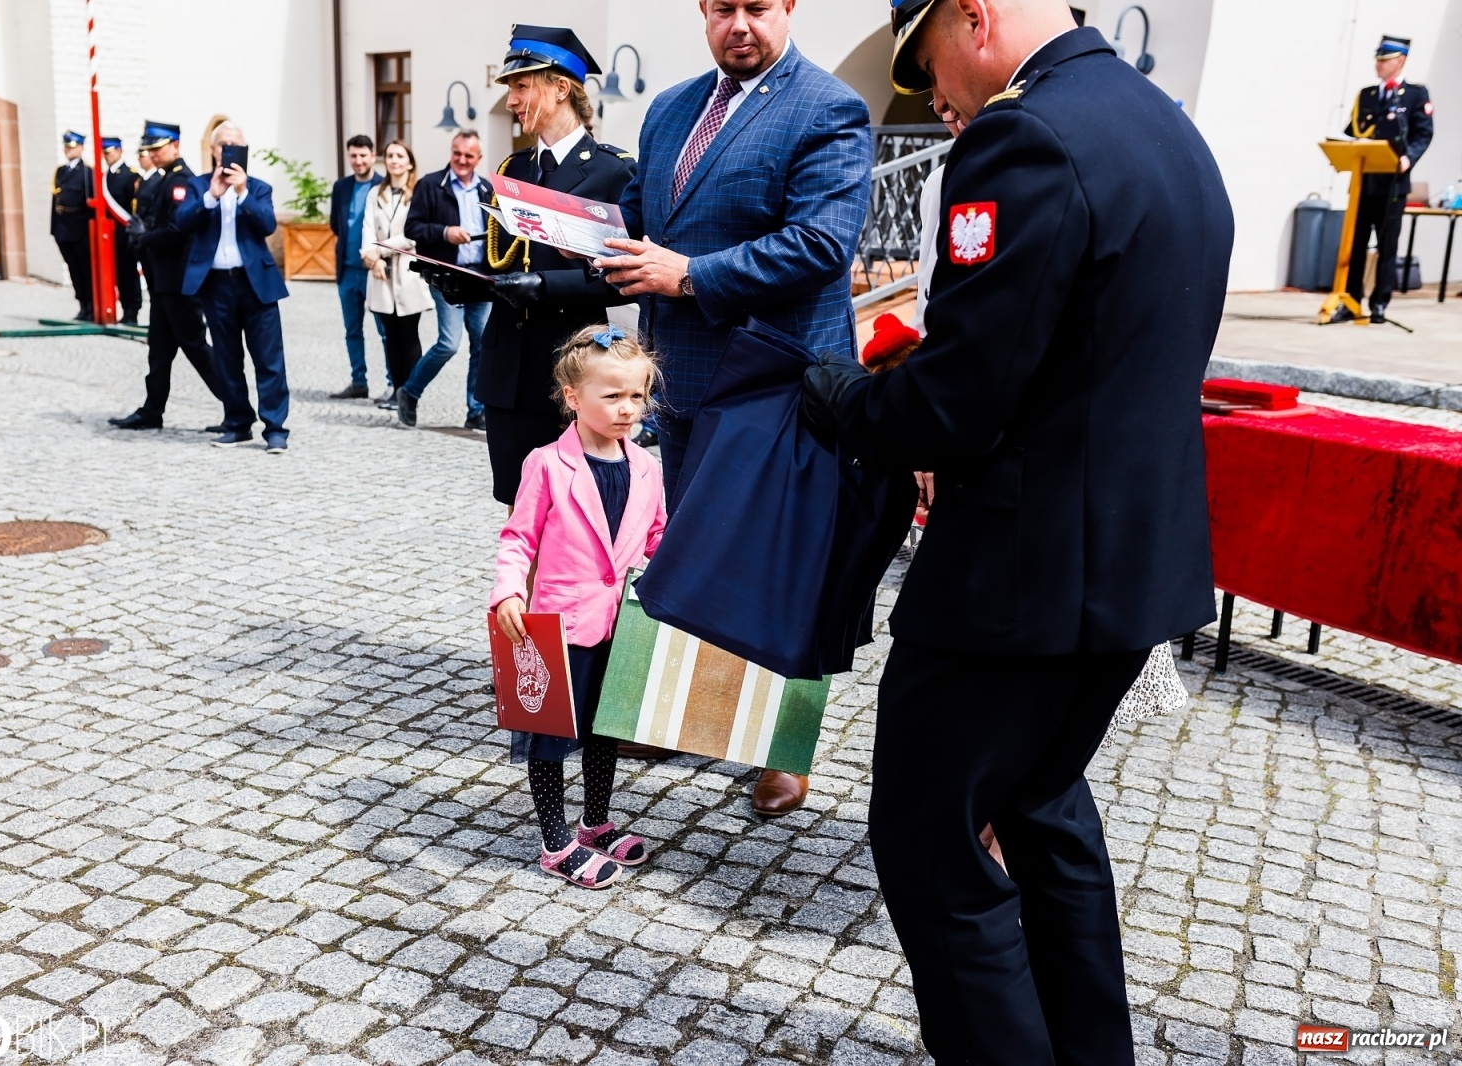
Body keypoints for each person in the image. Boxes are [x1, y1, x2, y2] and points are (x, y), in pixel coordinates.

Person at [800, 1, 1234, 1062]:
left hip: (1016, 580)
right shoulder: (1162, 121)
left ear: (973, 18)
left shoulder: (1022, 134)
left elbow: (960, 402)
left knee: (930, 845)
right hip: (1132, 566)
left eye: (930, 67)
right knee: (1041, 816)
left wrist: (840, 395)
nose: (936, 96)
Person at [594, 0, 871, 816]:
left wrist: (689, 275)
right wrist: (571, 230)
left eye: (757, 6)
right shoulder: (674, 107)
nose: (739, 24)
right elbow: (640, 219)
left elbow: (822, 242)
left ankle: (785, 751)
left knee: (787, 571)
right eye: (723, 9)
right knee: (691, 556)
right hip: (681, 378)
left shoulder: (828, 108)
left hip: (781, 384)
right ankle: (690, 715)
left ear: (788, 8)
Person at [491, 325, 667, 888]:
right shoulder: (546, 463)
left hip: (620, 621)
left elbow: (658, 539)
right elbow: (518, 538)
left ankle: (594, 822)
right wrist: (508, 592)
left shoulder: (647, 467)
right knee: (551, 734)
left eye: (636, 395)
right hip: (559, 624)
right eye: (611, 396)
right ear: (573, 397)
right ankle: (554, 838)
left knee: (604, 727)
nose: (626, 409)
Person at [469, 24, 637, 505]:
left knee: (572, 507)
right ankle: (521, 586)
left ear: (561, 87)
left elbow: (620, 280)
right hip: (507, 367)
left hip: (570, 367)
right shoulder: (513, 169)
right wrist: (470, 284)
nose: (512, 102)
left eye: (521, 86)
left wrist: (544, 285)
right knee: (519, 507)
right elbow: (502, 259)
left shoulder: (615, 170)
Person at [175, 121, 292, 454]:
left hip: (256, 284)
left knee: (269, 359)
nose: (227, 150)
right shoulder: (197, 186)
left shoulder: (258, 188)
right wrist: (213, 195)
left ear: (243, 150)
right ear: (213, 150)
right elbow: (183, 222)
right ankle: (238, 423)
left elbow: (267, 224)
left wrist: (240, 192)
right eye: (222, 145)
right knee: (227, 358)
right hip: (216, 285)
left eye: (234, 145)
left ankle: (275, 429)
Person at [110, 122, 234, 433]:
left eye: (157, 148)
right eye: (149, 149)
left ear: (175, 146)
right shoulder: (167, 180)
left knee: (194, 345)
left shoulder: (183, 182)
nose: (152, 154)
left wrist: (145, 237)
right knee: (160, 349)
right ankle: (153, 410)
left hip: (180, 281)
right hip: (164, 281)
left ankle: (237, 406)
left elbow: (179, 231)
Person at [1332, 35, 1434, 325]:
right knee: (1356, 245)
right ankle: (1350, 302)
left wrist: (1408, 157)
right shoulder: (1367, 96)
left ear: (1400, 61)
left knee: (1387, 246)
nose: (1378, 65)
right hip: (1364, 183)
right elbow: (1352, 132)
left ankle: (1379, 304)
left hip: (1392, 185)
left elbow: (1423, 133)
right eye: (1377, 60)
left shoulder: (1415, 94)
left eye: (1384, 60)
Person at [401, 130, 492, 430]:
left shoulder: (487, 190)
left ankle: (475, 410)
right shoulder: (430, 184)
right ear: (450, 153)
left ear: (478, 158)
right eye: (457, 153)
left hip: (480, 278)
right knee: (449, 343)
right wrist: (445, 232)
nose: (462, 160)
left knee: (482, 343)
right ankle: (410, 392)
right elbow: (412, 228)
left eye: (469, 155)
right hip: (447, 277)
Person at [360, 139, 433, 407]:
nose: (394, 160)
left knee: (409, 334)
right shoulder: (374, 194)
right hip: (380, 273)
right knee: (390, 335)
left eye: (400, 156)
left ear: (409, 162)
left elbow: (413, 235)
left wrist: (381, 250)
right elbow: (367, 229)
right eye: (390, 155)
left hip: (408, 271)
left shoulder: (419, 192)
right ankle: (396, 388)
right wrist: (371, 258)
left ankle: (409, 392)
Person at [328, 134, 389, 400]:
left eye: (363, 155)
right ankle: (358, 381)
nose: (358, 161)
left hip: (375, 271)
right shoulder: (341, 187)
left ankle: (392, 383)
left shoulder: (383, 186)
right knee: (352, 330)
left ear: (372, 155)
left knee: (385, 331)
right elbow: (335, 224)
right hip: (348, 271)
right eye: (353, 156)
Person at [51, 130, 94, 321]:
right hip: (63, 227)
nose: (68, 150)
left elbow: (89, 203)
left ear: (81, 147)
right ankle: (82, 303)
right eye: (66, 146)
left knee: (85, 268)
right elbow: (55, 201)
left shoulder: (87, 172)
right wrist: (54, 229)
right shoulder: (61, 171)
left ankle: (90, 305)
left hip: (79, 228)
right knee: (73, 268)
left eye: (72, 146)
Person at [101, 137, 143, 326]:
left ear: (119, 151)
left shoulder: (130, 175)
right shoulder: (103, 176)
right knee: (116, 273)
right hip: (108, 235)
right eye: (104, 153)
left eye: (109, 152)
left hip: (123, 233)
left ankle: (131, 311)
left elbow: (134, 207)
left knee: (128, 273)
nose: (106, 156)